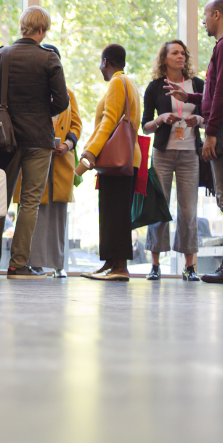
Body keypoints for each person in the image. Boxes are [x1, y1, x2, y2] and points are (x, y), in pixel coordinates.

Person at [166, 0, 223, 284]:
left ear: (217, 14)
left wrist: (212, 132)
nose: (203, 21)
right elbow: (218, 92)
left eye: (205, 15)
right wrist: (191, 97)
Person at [0, 6, 69, 279]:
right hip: (38, 139)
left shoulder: (1, 55)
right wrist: (43, 113)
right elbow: (62, 101)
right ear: (42, 30)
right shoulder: (49, 58)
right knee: (28, 203)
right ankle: (18, 265)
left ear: (23, 27)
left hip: (4, 140)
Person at [141, 39, 204, 281]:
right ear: (164, 58)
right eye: (175, 53)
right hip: (163, 154)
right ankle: (155, 265)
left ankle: (189, 266)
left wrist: (197, 120)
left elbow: (209, 115)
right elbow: (145, 125)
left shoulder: (197, 85)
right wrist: (161, 119)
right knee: (159, 207)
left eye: (183, 53)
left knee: (188, 210)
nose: (181, 57)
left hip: (190, 154)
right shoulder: (155, 87)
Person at [79, 44, 141, 281]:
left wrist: (92, 151)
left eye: (100, 63)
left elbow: (109, 121)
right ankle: (110, 263)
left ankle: (119, 268)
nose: (99, 68)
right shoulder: (129, 82)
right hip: (126, 156)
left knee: (115, 212)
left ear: (105, 61)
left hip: (116, 158)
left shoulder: (117, 83)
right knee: (111, 210)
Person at [23, 46, 81, 279]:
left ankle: (58, 264)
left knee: (58, 214)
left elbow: (76, 125)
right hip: (34, 156)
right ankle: (33, 262)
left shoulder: (67, 93)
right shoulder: (28, 92)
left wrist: (67, 144)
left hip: (60, 161)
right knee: (33, 210)